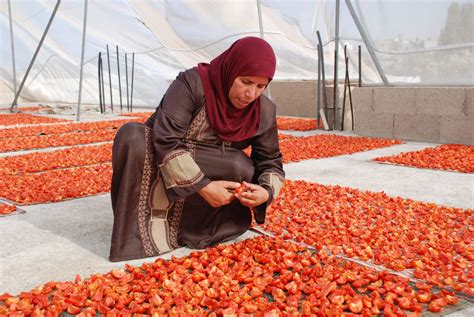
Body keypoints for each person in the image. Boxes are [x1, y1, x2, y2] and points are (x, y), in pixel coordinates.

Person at [109, 37, 285, 262]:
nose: (251, 94)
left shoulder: (263, 111)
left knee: (240, 165)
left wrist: (265, 193)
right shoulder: (193, 83)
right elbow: (167, 138)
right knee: (132, 136)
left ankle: (202, 227)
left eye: (261, 86)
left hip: (216, 198)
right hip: (166, 164)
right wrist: (202, 186)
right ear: (231, 71)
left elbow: (271, 160)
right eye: (245, 82)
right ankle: (142, 230)